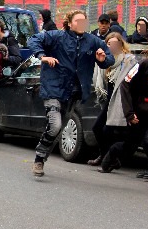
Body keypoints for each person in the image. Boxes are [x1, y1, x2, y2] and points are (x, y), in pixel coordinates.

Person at [27, 10, 114, 177]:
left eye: (84, 21)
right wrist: (42, 56)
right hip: (53, 87)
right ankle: (39, 158)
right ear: (70, 22)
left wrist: (104, 60)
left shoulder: (92, 41)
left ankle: (41, 157)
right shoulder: (57, 36)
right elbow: (34, 40)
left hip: (73, 92)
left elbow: (109, 58)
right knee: (55, 125)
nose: (81, 24)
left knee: (58, 130)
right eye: (78, 20)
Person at [99, 35, 148, 199]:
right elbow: (126, 84)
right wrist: (129, 113)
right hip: (140, 112)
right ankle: (112, 153)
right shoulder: (147, 64)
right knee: (130, 147)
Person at [87, 32, 137, 166]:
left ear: (121, 45)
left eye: (115, 44)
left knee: (105, 130)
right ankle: (106, 156)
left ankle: (108, 158)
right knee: (99, 129)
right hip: (109, 101)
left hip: (122, 101)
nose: (112, 47)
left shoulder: (128, 60)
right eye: (109, 44)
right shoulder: (105, 61)